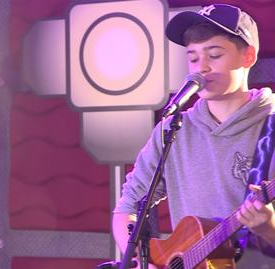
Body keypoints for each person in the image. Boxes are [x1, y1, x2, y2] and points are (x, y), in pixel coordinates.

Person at [112, 4, 275, 268]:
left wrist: (268, 228)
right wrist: (142, 263)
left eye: (214, 54)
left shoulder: (271, 126)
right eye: (194, 58)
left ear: (248, 57)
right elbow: (127, 208)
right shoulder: (173, 129)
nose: (202, 68)